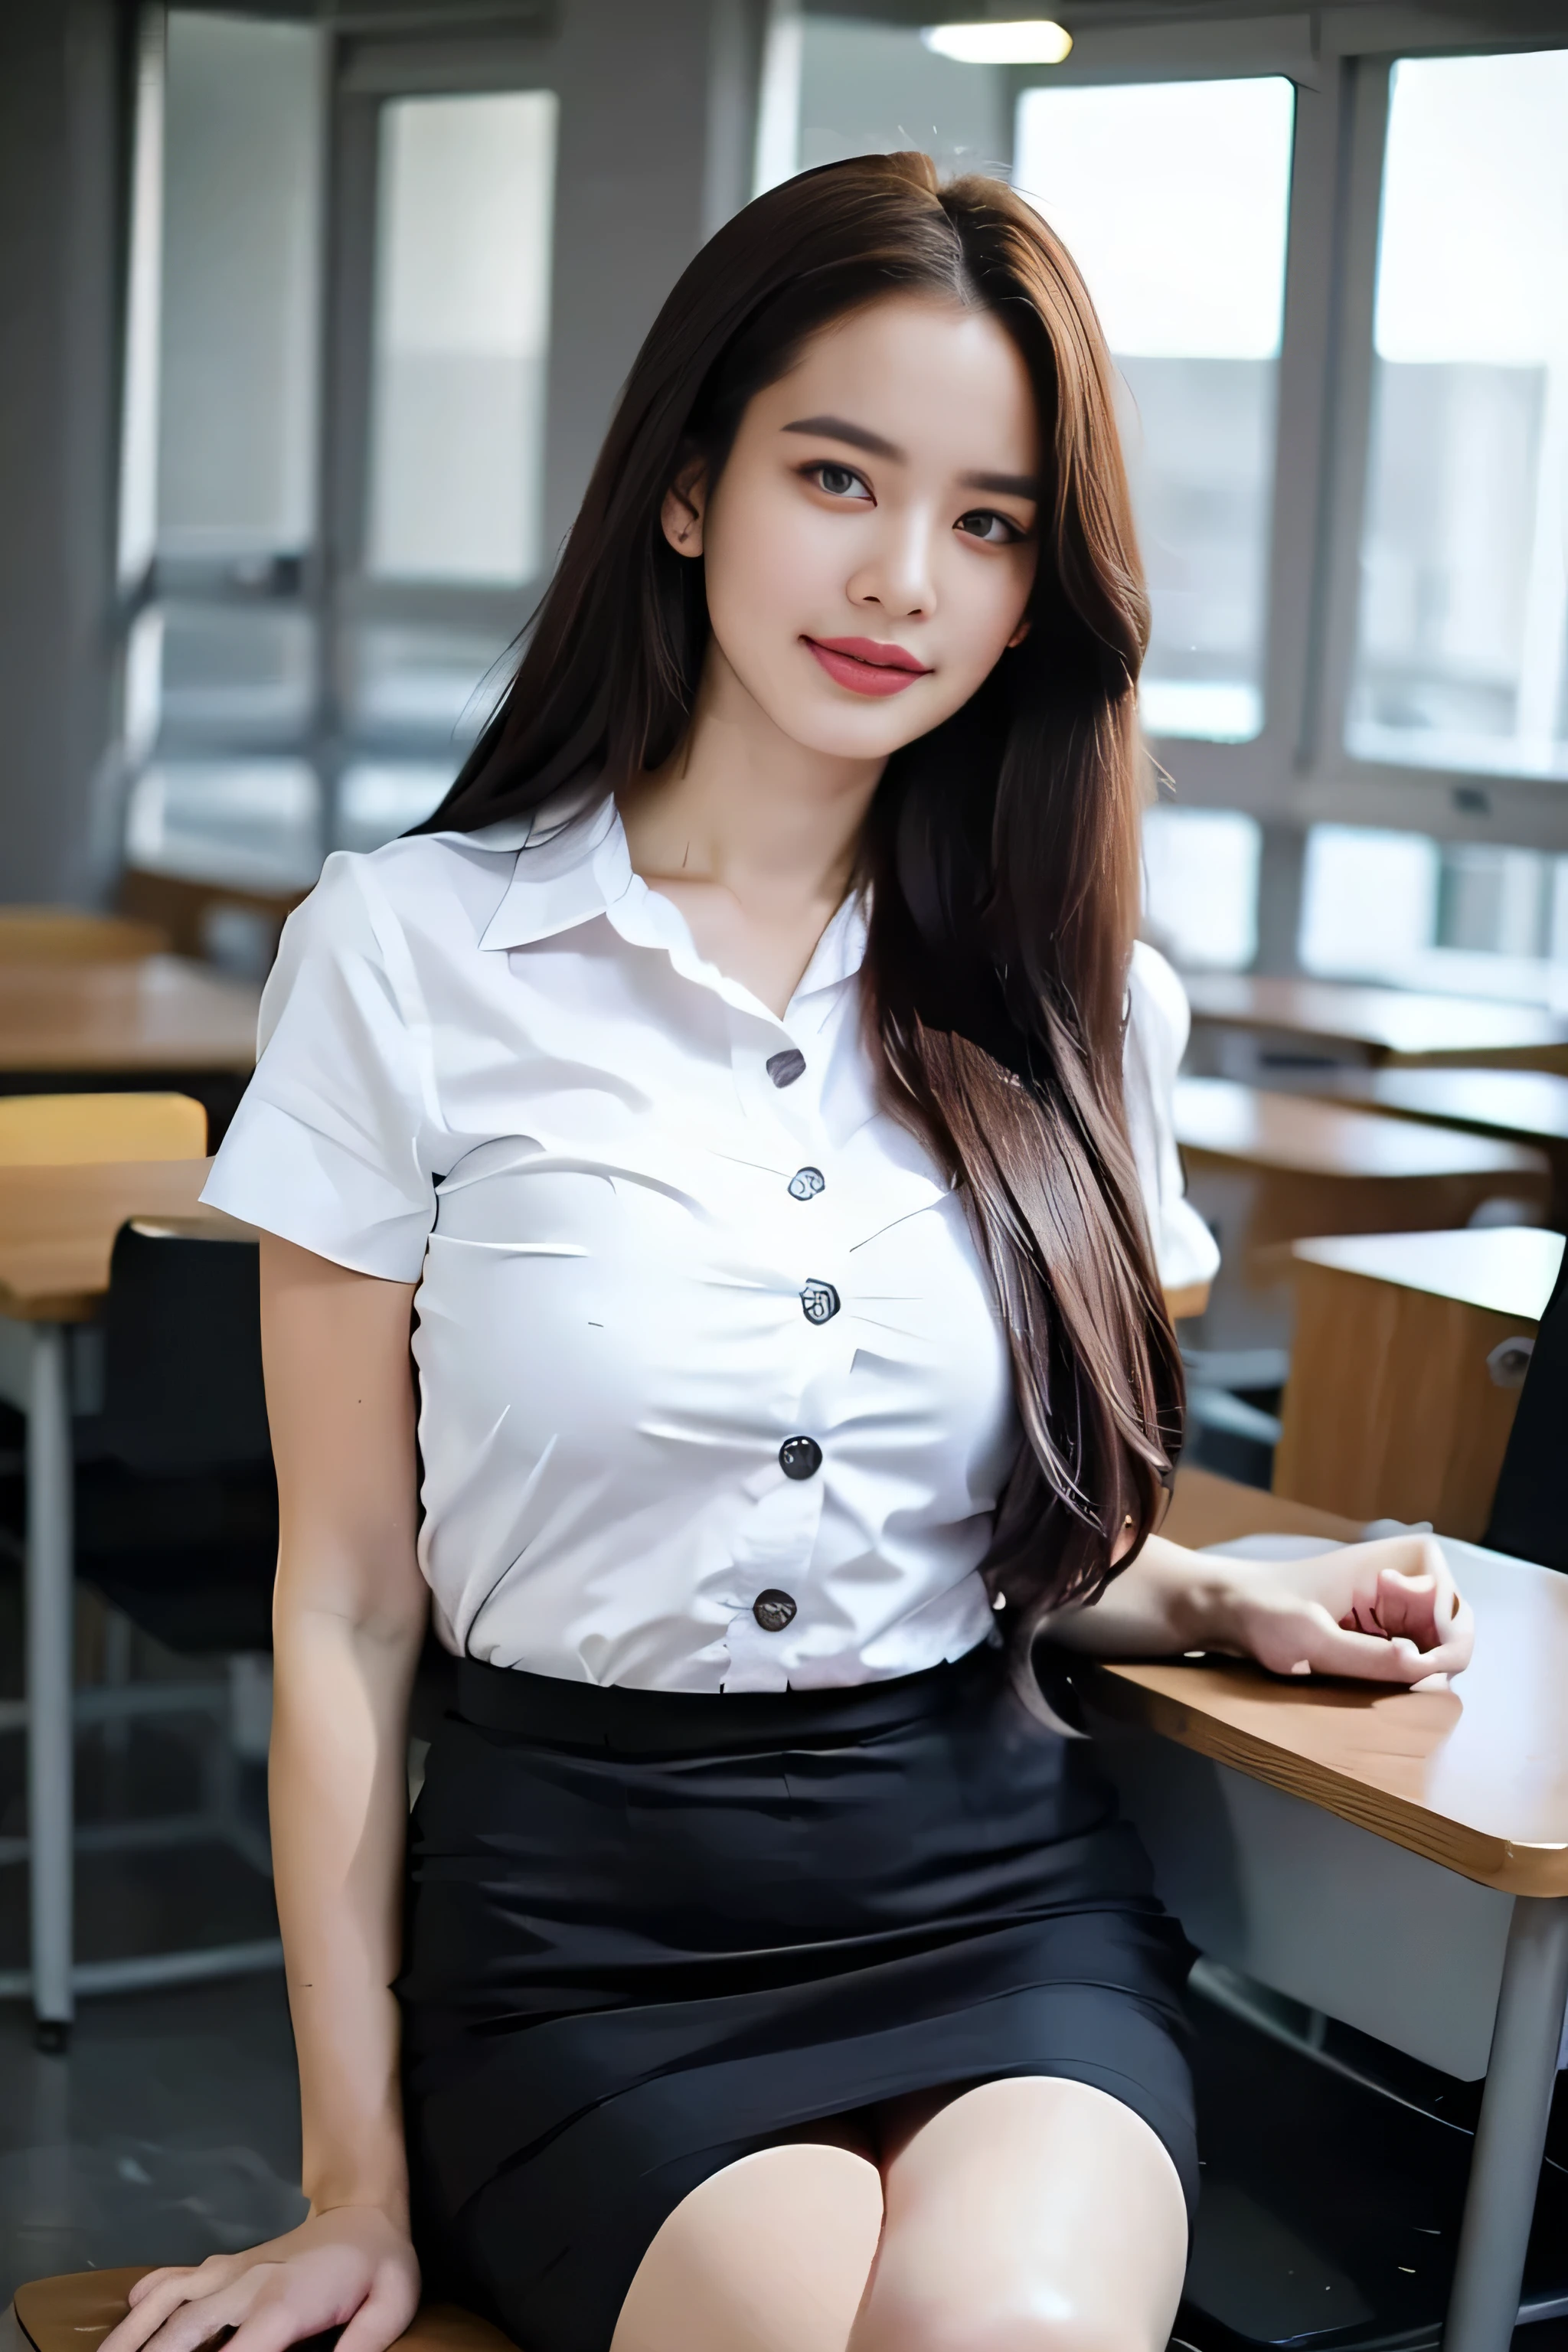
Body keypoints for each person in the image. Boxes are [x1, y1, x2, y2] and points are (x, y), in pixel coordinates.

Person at [103, 154, 1472, 2352]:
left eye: (992, 519)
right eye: (839, 474)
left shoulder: (1080, 994)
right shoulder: (412, 951)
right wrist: (347, 2180)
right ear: (685, 488)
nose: (902, 576)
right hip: (578, 1937)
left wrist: (1198, 1587)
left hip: (993, 1889)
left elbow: (932, 1515)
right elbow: (349, 1605)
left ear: (1045, 586)